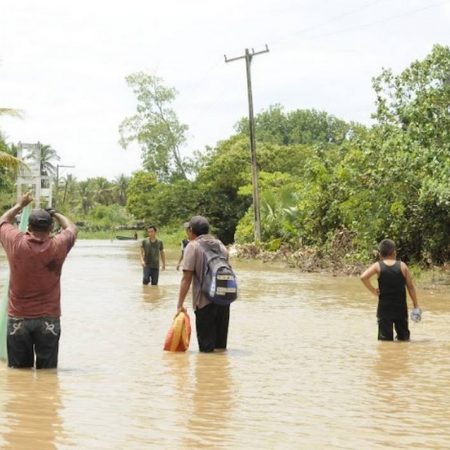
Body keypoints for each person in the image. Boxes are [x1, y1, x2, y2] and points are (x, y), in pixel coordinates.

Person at [0, 193, 77, 368]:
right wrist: (56, 213)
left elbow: (3, 221)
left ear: (28, 226)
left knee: (19, 374)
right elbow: (71, 228)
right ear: (51, 227)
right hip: (48, 319)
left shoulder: (16, 242)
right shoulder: (58, 245)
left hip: (18, 318)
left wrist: (19, 205)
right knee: (47, 374)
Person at [176, 216, 231, 352]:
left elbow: (186, 278)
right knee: (220, 349)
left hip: (204, 302)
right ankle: (221, 372)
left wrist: (180, 304)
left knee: (207, 351)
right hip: (224, 300)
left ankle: (207, 372)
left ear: (191, 230)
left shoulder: (193, 246)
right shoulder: (221, 246)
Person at [360, 239, 421, 341]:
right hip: (400, 310)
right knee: (404, 340)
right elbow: (410, 287)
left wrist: (373, 290)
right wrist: (415, 305)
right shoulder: (402, 266)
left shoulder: (378, 266)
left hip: (384, 310)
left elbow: (363, 277)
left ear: (380, 254)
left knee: (385, 342)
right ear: (394, 252)